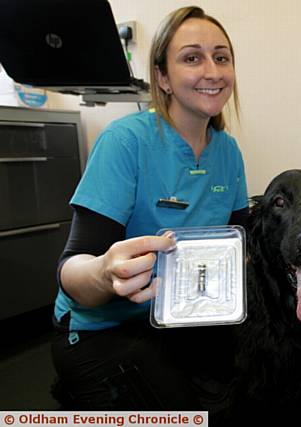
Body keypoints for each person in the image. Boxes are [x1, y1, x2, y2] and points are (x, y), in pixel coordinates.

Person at [51, 6, 247, 410]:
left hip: (187, 321)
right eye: (192, 58)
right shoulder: (126, 142)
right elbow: (72, 271)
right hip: (102, 329)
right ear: (162, 77)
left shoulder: (228, 152)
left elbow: (242, 246)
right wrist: (106, 274)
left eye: (221, 57)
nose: (212, 70)